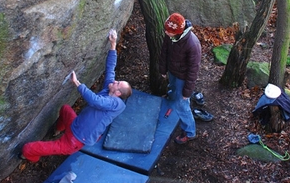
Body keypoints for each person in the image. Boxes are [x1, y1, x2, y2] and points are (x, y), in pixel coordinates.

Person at [20, 30, 132, 162]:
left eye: (117, 83)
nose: (114, 81)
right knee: (65, 109)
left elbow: (95, 101)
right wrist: (113, 44)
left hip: (75, 140)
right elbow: (110, 69)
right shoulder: (109, 90)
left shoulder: (115, 104)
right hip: (75, 125)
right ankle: (58, 130)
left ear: (118, 93)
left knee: (28, 148)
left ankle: (27, 156)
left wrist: (77, 83)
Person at [159, 13, 202, 144]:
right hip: (173, 71)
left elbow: (193, 71)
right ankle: (171, 101)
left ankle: (189, 132)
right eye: (166, 30)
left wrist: (187, 92)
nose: (166, 33)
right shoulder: (170, 35)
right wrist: (163, 69)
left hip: (183, 77)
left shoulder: (192, 44)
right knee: (171, 89)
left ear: (178, 31)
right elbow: (164, 51)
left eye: (169, 31)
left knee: (182, 104)